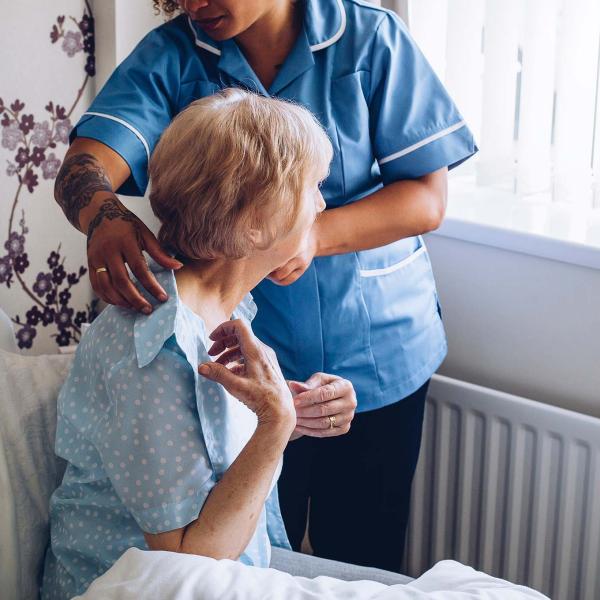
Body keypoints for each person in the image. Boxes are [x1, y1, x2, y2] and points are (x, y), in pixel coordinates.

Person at [54, 0, 477, 571]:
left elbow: (426, 197)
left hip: (376, 346)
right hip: (246, 362)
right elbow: (200, 549)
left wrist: (310, 233)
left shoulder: (372, 38)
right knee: (252, 528)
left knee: (363, 556)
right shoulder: (167, 349)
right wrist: (101, 211)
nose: (194, 4)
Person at [42, 89, 360, 600]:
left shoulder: (220, 306)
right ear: (256, 224)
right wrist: (274, 425)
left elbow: (202, 448)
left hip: (237, 573)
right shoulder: (153, 349)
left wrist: (292, 412)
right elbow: (184, 566)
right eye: (312, 189)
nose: (322, 204)